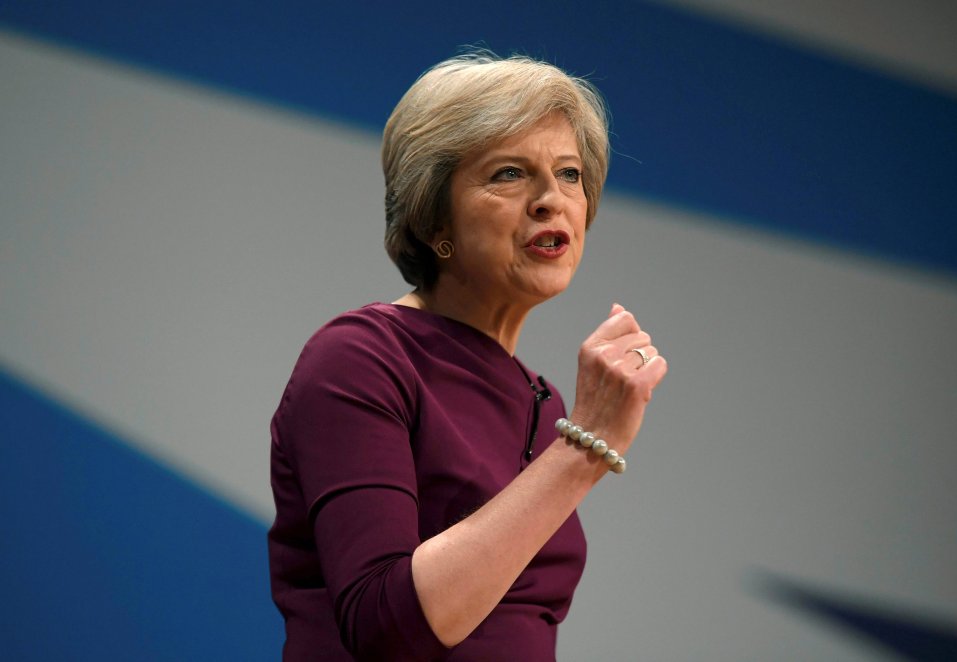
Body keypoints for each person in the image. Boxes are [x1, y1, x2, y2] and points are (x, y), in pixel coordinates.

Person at [268, 50, 668, 661]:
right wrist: (585, 443)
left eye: (569, 174)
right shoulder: (360, 358)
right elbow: (385, 626)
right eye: (509, 173)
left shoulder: (543, 400)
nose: (550, 199)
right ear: (434, 221)